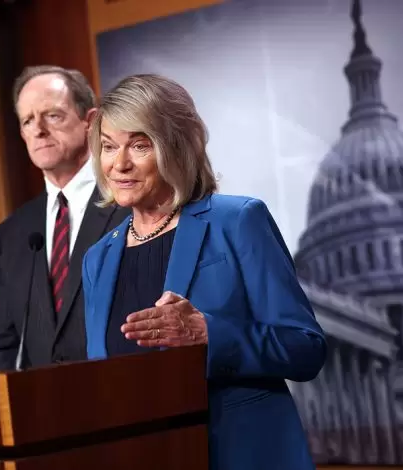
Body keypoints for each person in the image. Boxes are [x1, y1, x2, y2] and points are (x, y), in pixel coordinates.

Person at [82, 74, 326, 470]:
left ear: (176, 147)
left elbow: (306, 348)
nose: (119, 163)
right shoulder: (98, 258)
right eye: (108, 146)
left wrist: (210, 334)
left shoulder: (238, 221)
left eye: (140, 145)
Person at [0, 65, 129, 370]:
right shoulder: (11, 234)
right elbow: (3, 346)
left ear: (90, 121)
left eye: (52, 115)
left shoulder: (130, 206)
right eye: (27, 121)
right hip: (41, 398)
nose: (38, 130)